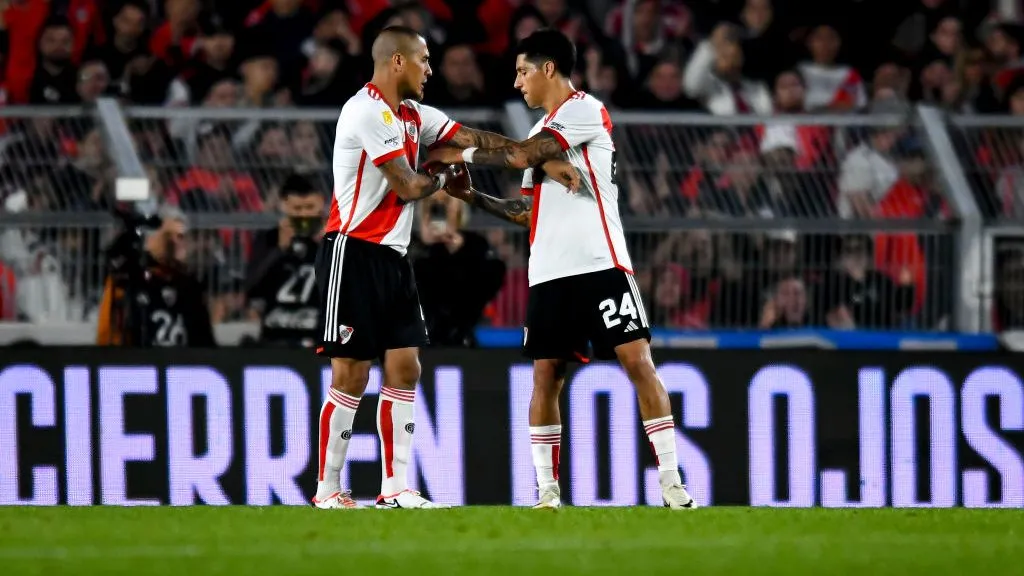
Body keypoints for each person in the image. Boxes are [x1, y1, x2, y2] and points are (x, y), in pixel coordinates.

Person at [428, 29, 698, 510]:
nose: (517, 83)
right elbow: (525, 211)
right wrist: (472, 196)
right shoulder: (539, 134)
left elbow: (524, 156)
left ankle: (672, 483)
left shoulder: (583, 110)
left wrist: (462, 152)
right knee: (546, 375)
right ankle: (548, 493)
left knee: (637, 362)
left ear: (548, 68)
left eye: (522, 71)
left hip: (601, 262)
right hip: (549, 272)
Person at [313, 25, 577, 510]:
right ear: (398, 62)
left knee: (405, 366)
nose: (430, 70)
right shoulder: (365, 111)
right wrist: (444, 170)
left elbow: (476, 139)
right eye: (424, 60)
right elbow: (409, 187)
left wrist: (529, 157)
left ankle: (394, 487)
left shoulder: (416, 114)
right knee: (350, 374)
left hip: (393, 256)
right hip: (352, 253)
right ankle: (328, 488)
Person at [245, 172, 325, 348]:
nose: (304, 215)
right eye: (297, 209)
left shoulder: (334, 241)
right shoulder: (268, 239)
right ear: (283, 206)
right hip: (276, 337)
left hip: (319, 337)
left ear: (321, 203)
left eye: (310, 207)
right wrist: (279, 251)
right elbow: (251, 288)